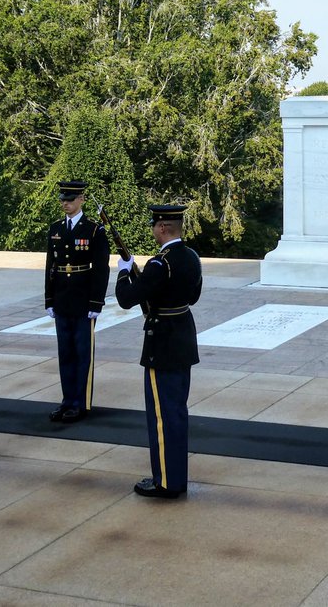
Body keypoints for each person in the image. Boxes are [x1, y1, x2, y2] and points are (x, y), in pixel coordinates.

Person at [115, 204, 202, 499]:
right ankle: (176, 477)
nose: (153, 230)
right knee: (177, 411)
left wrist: (124, 273)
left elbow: (126, 299)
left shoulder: (159, 263)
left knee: (162, 416)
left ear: (163, 227)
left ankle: (165, 481)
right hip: (183, 337)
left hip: (162, 343)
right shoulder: (191, 257)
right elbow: (192, 296)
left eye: (154, 226)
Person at [44, 180, 110, 423]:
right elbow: (51, 266)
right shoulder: (55, 228)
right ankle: (67, 400)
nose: (65, 203)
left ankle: (80, 403)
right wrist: (49, 298)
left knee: (82, 353)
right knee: (66, 354)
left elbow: (101, 269)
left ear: (81, 200)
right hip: (62, 299)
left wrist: (96, 302)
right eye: (63, 199)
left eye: (70, 200)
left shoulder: (94, 230)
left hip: (83, 300)